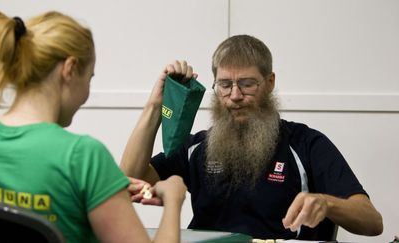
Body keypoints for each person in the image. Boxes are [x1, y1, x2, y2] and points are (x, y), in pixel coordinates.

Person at [120, 35, 384, 240]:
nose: (235, 95)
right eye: (225, 85)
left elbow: (372, 222)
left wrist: (326, 204)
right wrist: (156, 105)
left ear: (269, 83)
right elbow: (126, 183)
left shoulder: (305, 144)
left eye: (247, 84)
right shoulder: (197, 148)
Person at [0, 8, 187, 243]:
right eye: (89, 78)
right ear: (69, 69)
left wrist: (102, 191)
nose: (87, 94)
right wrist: (173, 200)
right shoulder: (83, 157)